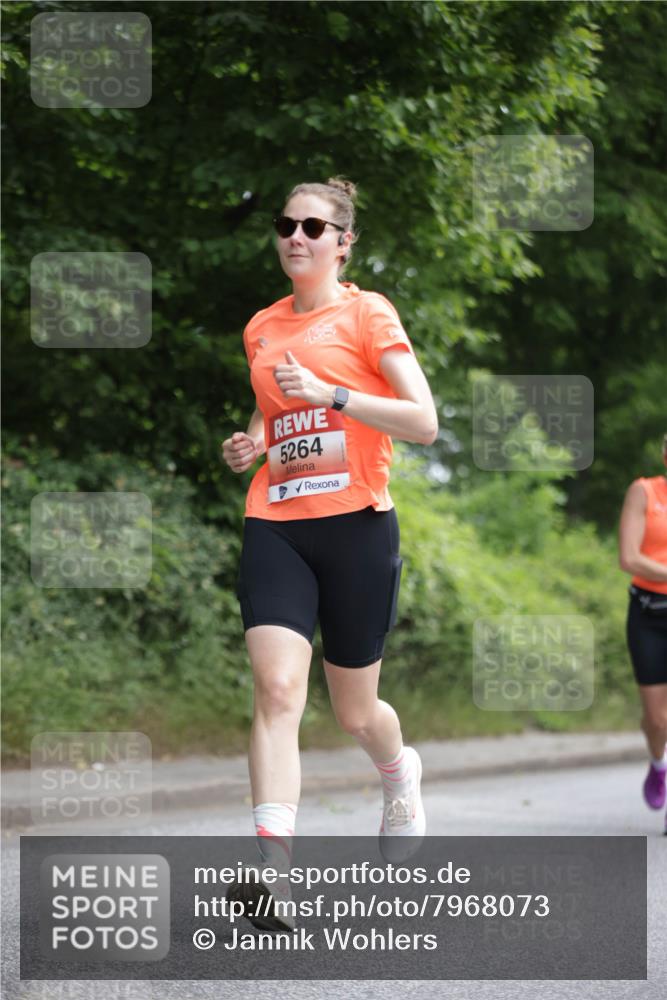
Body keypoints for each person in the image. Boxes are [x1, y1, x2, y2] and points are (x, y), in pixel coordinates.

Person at [220, 177, 438, 930]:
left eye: (315, 227)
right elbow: (274, 404)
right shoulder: (260, 325)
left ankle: (398, 771)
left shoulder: (368, 312)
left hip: (356, 527)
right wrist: (253, 439)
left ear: (343, 241)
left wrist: (331, 394)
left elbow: (423, 421)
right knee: (278, 691)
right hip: (277, 521)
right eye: (286, 224)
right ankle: (272, 873)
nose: (296, 237)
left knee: (354, 711)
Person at [618, 432, 667, 834]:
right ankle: (658, 765)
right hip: (648, 613)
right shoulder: (644, 492)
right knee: (656, 718)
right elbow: (629, 557)